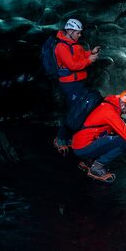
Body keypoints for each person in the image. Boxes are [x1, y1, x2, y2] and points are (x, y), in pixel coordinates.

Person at [42, 18, 101, 152]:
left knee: (79, 110)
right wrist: (89, 61)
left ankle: (72, 137)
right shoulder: (61, 47)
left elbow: (80, 56)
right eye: (78, 33)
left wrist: (90, 53)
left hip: (78, 82)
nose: (80, 35)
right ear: (70, 31)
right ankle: (61, 139)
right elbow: (72, 65)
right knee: (75, 112)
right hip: (70, 84)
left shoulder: (73, 44)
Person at [71, 90, 126, 183]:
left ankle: (88, 161)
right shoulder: (110, 112)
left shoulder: (108, 105)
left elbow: (121, 130)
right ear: (123, 105)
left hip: (79, 143)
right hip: (82, 148)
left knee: (113, 136)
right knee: (122, 141)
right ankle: (97, 168)